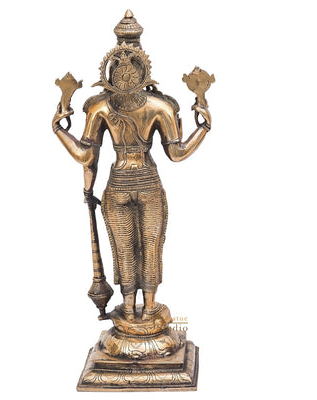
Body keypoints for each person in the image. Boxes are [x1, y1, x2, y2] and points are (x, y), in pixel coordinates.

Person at [52, 12, 211, 322]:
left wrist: (59, 129)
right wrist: (203, 126)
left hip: (120, 184)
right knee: (146, 247)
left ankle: (135, 308)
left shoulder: (102, 105)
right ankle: (142, 308)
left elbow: (86, 157)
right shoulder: (158, 106)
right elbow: (176, 153)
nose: (125, 72)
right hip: (146, 183)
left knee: (132, 249)